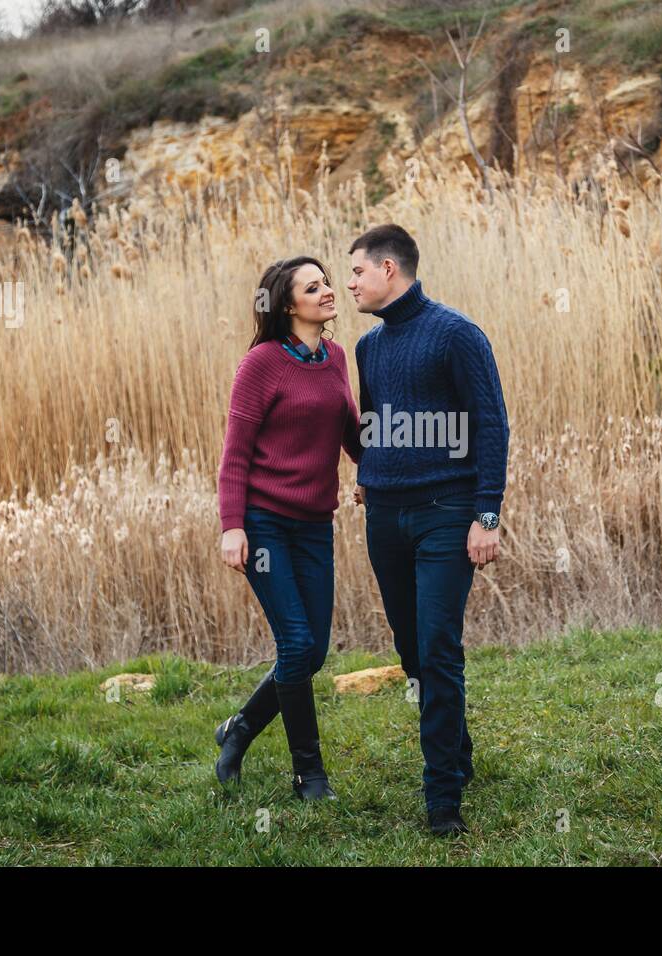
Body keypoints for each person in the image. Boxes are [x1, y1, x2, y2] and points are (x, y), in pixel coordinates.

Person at [347, 224, 509, 835]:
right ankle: (458, 755)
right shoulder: (369, 347)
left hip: (448, 511)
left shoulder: (458, 334)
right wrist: (369, 469)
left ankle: (442, 797)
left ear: (389, 269)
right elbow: (373, 418)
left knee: (438, 648)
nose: (351, 284)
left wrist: (486, 515)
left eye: (357, 272)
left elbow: (492, 427)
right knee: (412, 650)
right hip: (385, 516)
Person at [214, 256, 363, 800]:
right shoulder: (261, 364)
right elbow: (236, 456)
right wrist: (233, 526)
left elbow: (350, 431)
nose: (329, 292)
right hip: (265, 523)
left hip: (315, 525)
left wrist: (376, 469)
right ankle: (310, 774)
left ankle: (239, 728)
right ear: (286, 304)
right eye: (314, 286)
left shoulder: (336, 357)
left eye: (327, 283)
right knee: (296, 642)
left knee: (313, 651)